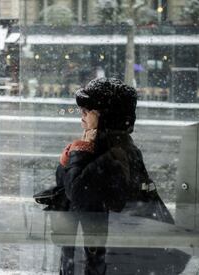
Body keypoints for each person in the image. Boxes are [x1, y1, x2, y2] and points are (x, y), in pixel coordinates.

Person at [35, 77, 150, 275]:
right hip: (91, 252)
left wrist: (79, 151)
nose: (82, 115)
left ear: (107, 117)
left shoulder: (114, 153)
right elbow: (64, 181)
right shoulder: (104, 145)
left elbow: (76, 191)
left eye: (88, 111)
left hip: (98, 255)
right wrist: (72, 156)